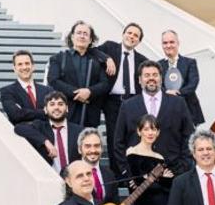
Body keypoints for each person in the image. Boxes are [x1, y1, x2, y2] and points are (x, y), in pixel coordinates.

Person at [112, 60, 194, 178]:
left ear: (161, 78)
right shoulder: (127, 106)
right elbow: (118, 142)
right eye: (147, 75)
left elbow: (189, 136)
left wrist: (182, 167)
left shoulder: (178, 103)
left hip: (173, 174)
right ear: (140, 80)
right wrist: (127, 171)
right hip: (138, 177)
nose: (151, 78)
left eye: (155, 75)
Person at [46, 20, 112, 127]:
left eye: (85, 34)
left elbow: (105, 84)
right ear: (72, 37)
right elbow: (53, 80)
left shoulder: (98, 61)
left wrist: (89, 91)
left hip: (89, 115)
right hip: (66, 112)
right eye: (79, 33)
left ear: (90, 39)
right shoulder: (58, 58)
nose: (82, 36)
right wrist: (77, 93)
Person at [99, 23, 149, 159]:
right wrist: (107, 58)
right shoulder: (109, 47)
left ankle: (131, 172)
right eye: (129, 33)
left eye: (136, 35)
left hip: (133, 102)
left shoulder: (142, 60)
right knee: (114, 138)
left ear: (139, 41)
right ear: (123, 34)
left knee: (133, 138)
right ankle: (117, 174)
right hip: (113, 102)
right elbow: (92, 51)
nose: (131, 37)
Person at [13, 91, 80, 173]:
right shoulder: (40, 126)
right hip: (50, 178)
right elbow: (19, 128)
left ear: (67, 108)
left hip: (75, 178)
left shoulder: (79, 131)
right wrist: (45, 141)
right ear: (46, 109)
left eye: (60, 104)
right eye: (52, 104)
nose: (56, 107)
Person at [158, 29, 204, 125]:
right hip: (166, 110)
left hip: (189, 109)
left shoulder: (190, 62)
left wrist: (176, 93)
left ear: (178, 43)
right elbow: (157, 85)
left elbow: (193, 84)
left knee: (190, 139)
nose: (168, 45)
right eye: (165, 43)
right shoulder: (157, 65)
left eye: (172, 42)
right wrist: (166, 92)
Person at [0, 49, 54, 125]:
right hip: (21, 135)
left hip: (47, 135)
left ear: (33, 66)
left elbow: (54, 113)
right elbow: (15, 115)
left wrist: (23, 112)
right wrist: (44, 111)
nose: (24, 67)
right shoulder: (7, 91)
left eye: (27, 63)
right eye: (20, 64)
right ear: (14, 69)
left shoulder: (48, 90)